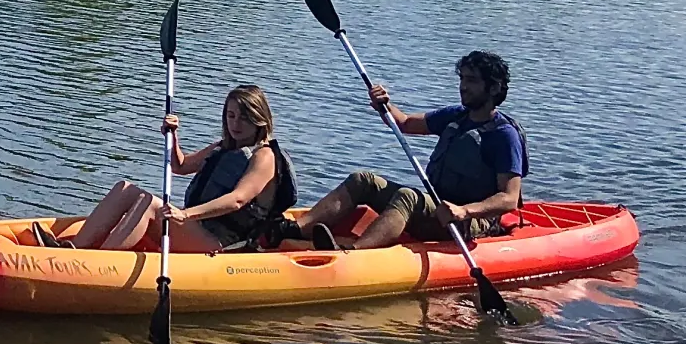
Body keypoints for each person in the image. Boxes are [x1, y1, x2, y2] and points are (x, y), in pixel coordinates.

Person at [296, 50, 526, 252]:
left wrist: (464, 211)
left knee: (408, 196)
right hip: (437, 206)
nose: (463, 86)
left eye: (472, 81)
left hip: (472, 221)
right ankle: (295, 230)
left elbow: (509, 198)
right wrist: (384, 105)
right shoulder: (456, 116)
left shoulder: (503, 135)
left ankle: (354, 253)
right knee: (363, 180)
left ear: (494, 88)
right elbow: (405, 123)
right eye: (462, 79)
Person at [49, 85, 298, 253]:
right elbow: (180, 166)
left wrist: (185, 215)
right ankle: (75, 248)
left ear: (259, 119)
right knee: (126, 189)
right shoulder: (225, 147)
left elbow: (237, 199)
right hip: (199, 229)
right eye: (231, 116)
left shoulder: (264, 157)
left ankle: (101, 261)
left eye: (244, 117)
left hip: (223, 244)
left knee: (150, 204)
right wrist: (172, 135)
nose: (235, 124)